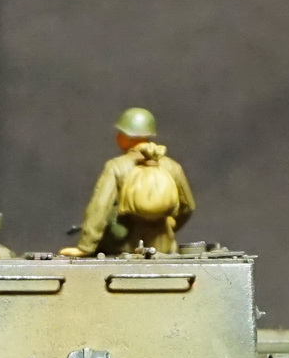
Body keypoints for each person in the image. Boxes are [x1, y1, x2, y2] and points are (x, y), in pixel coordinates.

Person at [61, 107, 196, 256]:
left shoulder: (116, 166)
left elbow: (99, 207)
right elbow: (188, 207)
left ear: (127, 136)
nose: (117, 137)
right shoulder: (172, 167)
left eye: (120, 133)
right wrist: (169, 226)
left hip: (121, 247)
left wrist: (85, 247)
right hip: (162, 247)